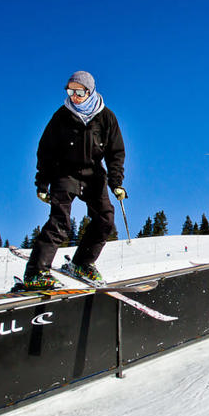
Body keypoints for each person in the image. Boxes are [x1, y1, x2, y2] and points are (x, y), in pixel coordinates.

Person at [23, 70, 127, 288]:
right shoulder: (61, 116)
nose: (74, 96)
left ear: (90, 91)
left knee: (105, 220)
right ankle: (36, 273)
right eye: (70, 91)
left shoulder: (106, 117)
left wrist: (116, 182)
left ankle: (82, 262)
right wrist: (42, 183)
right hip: (66, 173)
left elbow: (115, 153)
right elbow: (46, 151)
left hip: (93, 175)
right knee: (60, 222)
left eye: (79, 91)